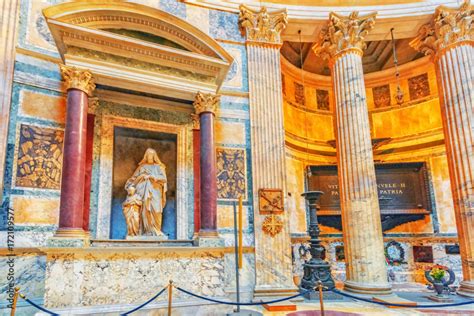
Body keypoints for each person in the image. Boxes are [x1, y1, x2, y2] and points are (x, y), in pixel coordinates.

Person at [125, 148, 167, 236]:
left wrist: (152, 176)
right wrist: (141, 176)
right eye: (148, 155)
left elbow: (164, 179)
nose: (150, 156)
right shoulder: (142, 167)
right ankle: (146, 231)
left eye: (152, 155)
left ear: (155, 156)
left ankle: (156, 230)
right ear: (146, 156)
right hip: (143, 192)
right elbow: (133, 179)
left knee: (156, 210)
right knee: (144, 210)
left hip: (155, 192)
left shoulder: (159, 167)